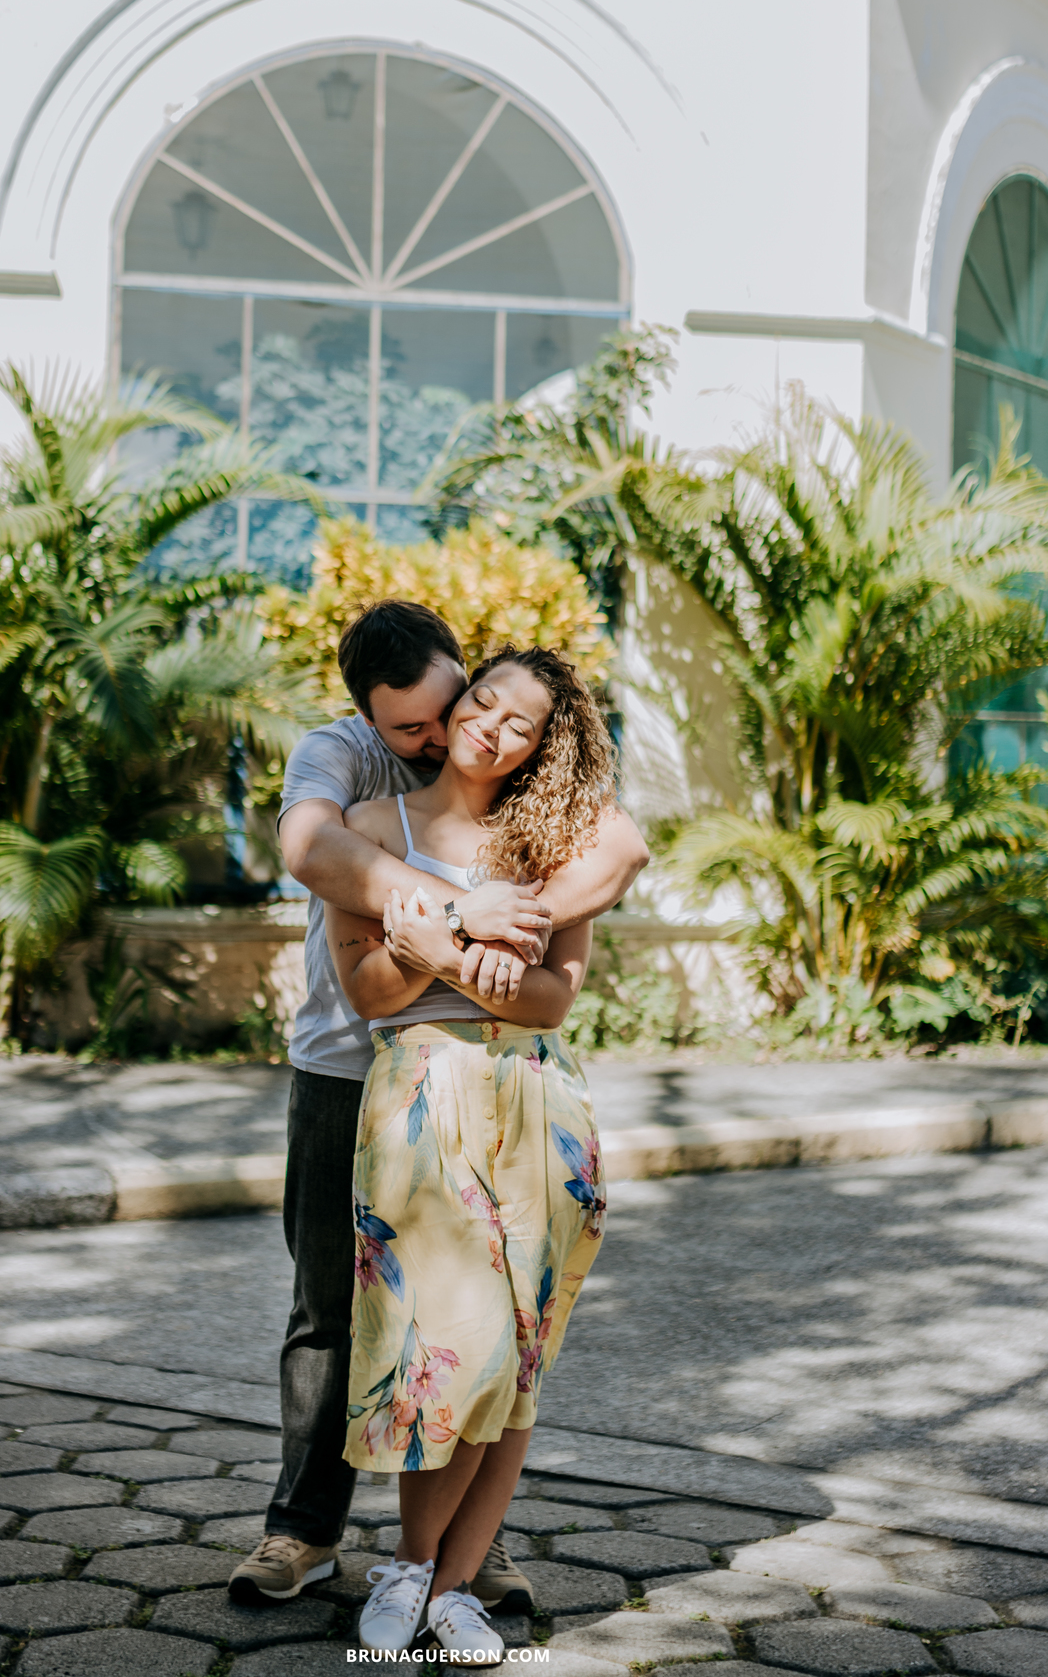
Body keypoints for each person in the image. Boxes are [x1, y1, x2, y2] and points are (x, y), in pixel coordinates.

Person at [228, 603, 647, 1610]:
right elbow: (311, 856)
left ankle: (467, 1555)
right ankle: (305, 1532)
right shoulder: (344, 764)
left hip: (516, 1086)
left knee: (499, 1334)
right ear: (369, 719)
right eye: (408, 729)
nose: (441, 734)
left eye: (453, 708)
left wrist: (521, 916)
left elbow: (619, 853)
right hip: (355, 1064)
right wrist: (457, 922)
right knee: (336, 1311)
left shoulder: (525, 791)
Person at [329, 645, 613, 1663]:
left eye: (523, 724)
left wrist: (430, 950)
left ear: (542, 746)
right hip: (420, 1089)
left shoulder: (548, 845)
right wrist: (462, 945)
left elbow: (553, 996)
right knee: (445, 1350)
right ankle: (410, 1567)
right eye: (485, 700)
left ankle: (452, 1591)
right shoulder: (372, 834)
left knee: (516, 1361)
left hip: (536, 1096)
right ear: (456, 705)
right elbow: (365, 992)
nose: (495, 726)